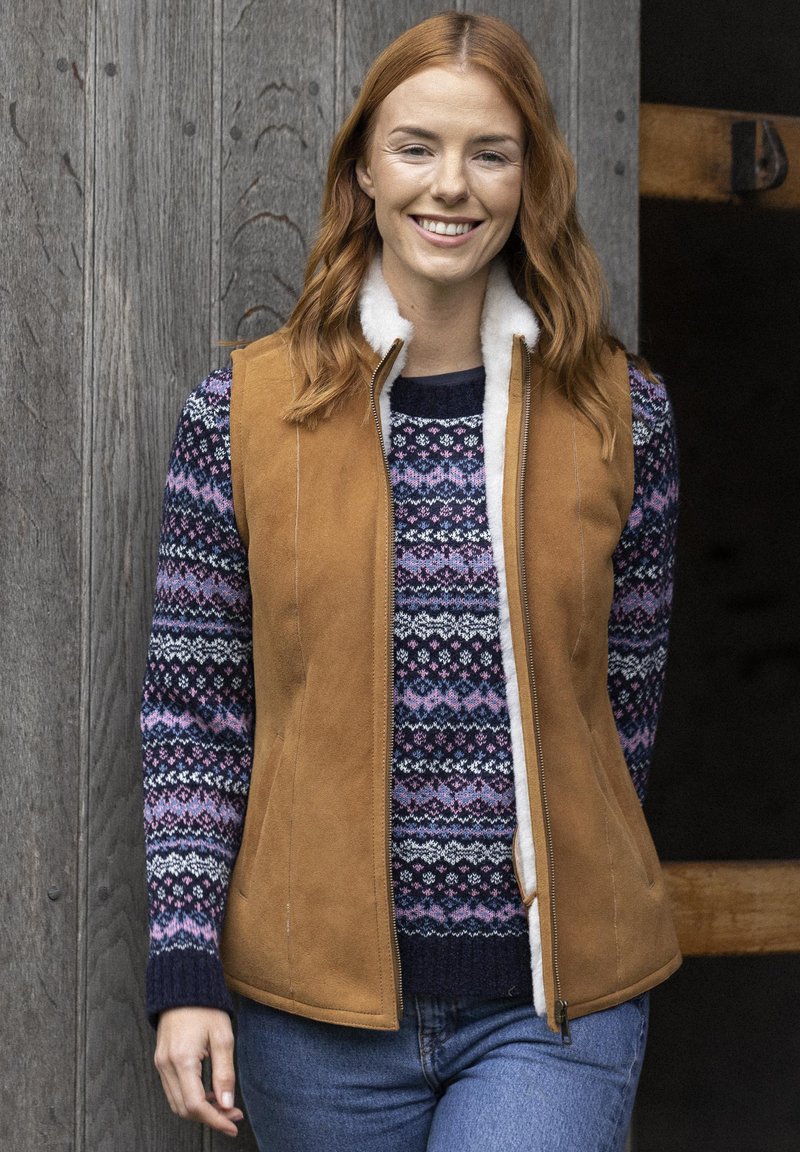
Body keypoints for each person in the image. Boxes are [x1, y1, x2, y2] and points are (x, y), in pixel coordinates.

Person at [140, 10, 681, 1150]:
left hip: (552, 1005)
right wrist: (185, 964)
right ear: (362, 171)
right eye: (416, 148)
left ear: (531, 175)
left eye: (490, 151)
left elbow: (619, 706)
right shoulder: (239, 413)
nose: (452, 186)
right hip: (313, 1015)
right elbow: (193, 716)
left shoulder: (619, 414)